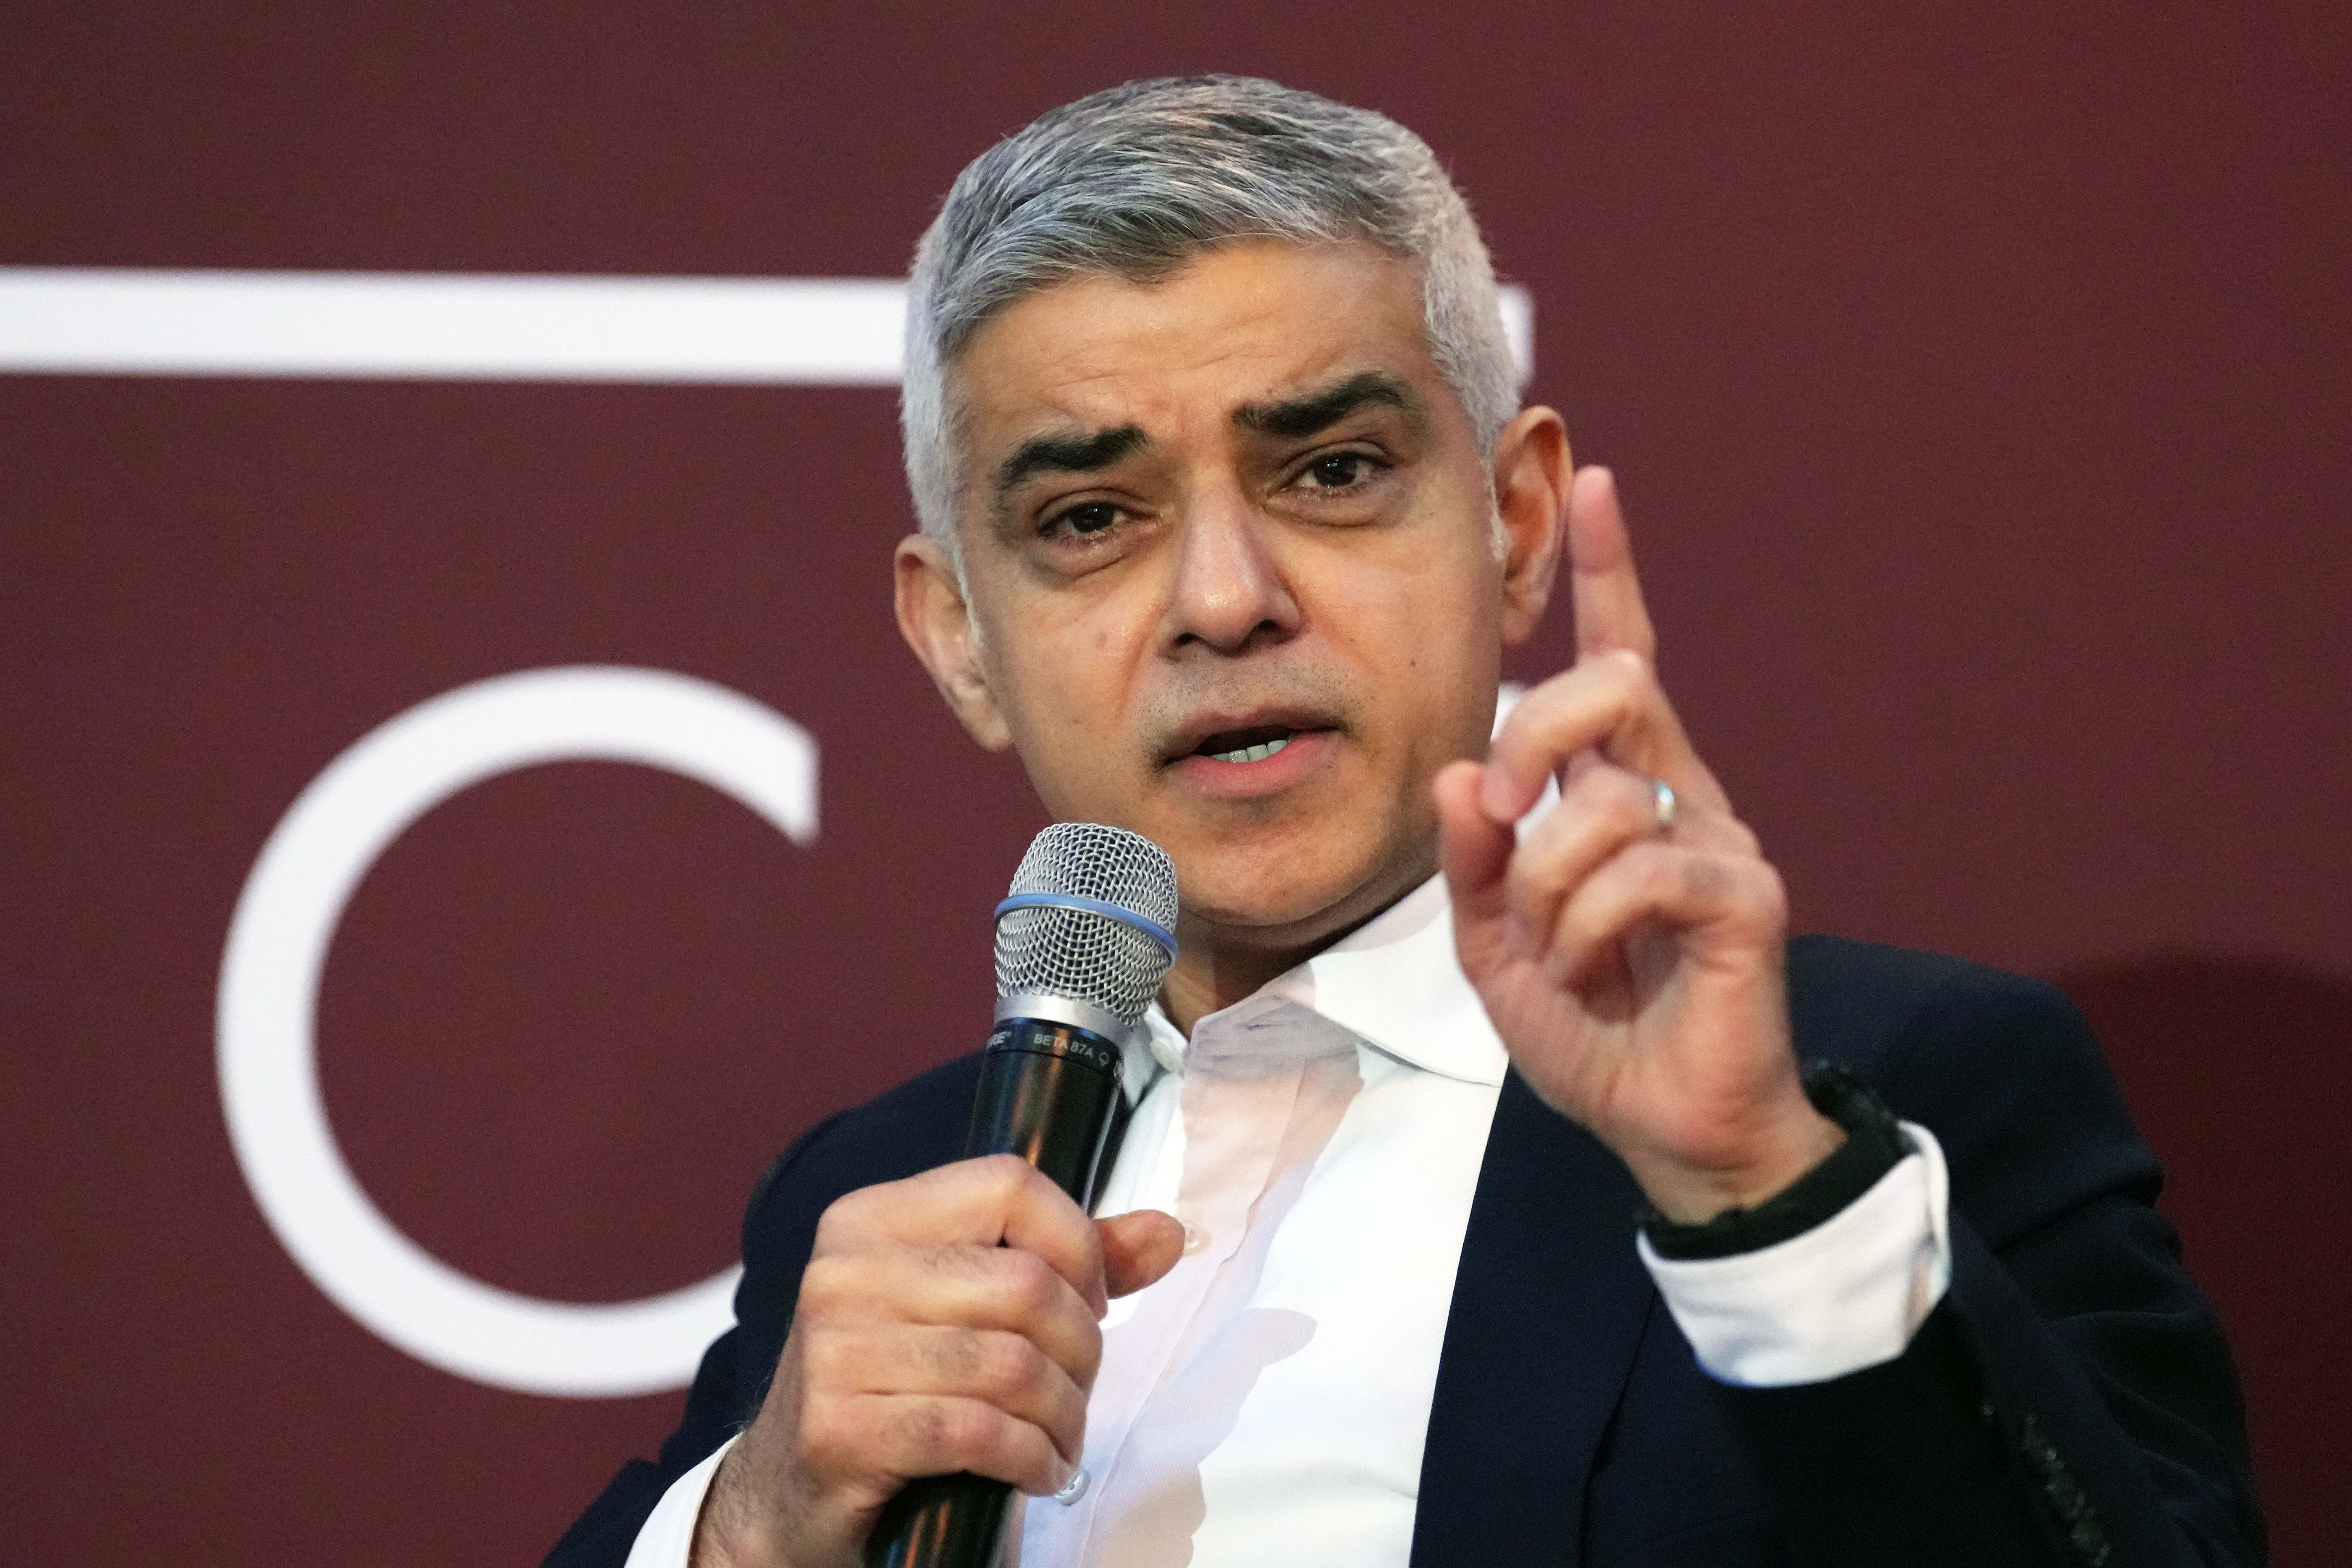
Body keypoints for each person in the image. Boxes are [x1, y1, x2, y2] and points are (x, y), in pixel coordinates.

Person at [547, 76, 2261, 1568]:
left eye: (1333, 471)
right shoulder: (869, 1190)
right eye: (1090, 515)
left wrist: (1756, 1191)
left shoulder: (1877, 1097)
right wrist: (756, 1527)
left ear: (1515, 524)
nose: (1224, 600)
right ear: (960, 642)